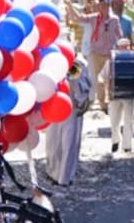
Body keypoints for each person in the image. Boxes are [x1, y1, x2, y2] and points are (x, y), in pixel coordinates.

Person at [64, 0, 123, 113]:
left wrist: (122, 48)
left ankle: (111, 101)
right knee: (98, 80)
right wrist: (70, 6)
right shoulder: (94, 18)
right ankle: (103, 104)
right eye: (100, 6)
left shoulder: (114, 20)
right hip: (95, 53)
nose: (101, 8)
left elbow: (120, 36)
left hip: (109, 54)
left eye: (104, 6)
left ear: (108, 6)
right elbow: (78, 18)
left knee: (109, 79)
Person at [46, 54, 92, 185]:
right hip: (54, 104)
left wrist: (79, 101)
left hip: (69, 105)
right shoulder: (50, 59)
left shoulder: (76, 62)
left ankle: (63, 177)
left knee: (67, 141)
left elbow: (78, 84)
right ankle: (54, 173)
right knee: (54, 141)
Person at [98, 38, 134, 153]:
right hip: (114, 95)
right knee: (114, 120)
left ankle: (127, 146)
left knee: (129, 120)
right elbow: (102, 75)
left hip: (129, 95)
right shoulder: (111, 61)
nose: (125, 49)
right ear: (118, 48)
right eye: (122, 47)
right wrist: (101, 82)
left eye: (127, 47)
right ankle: (116, 140)